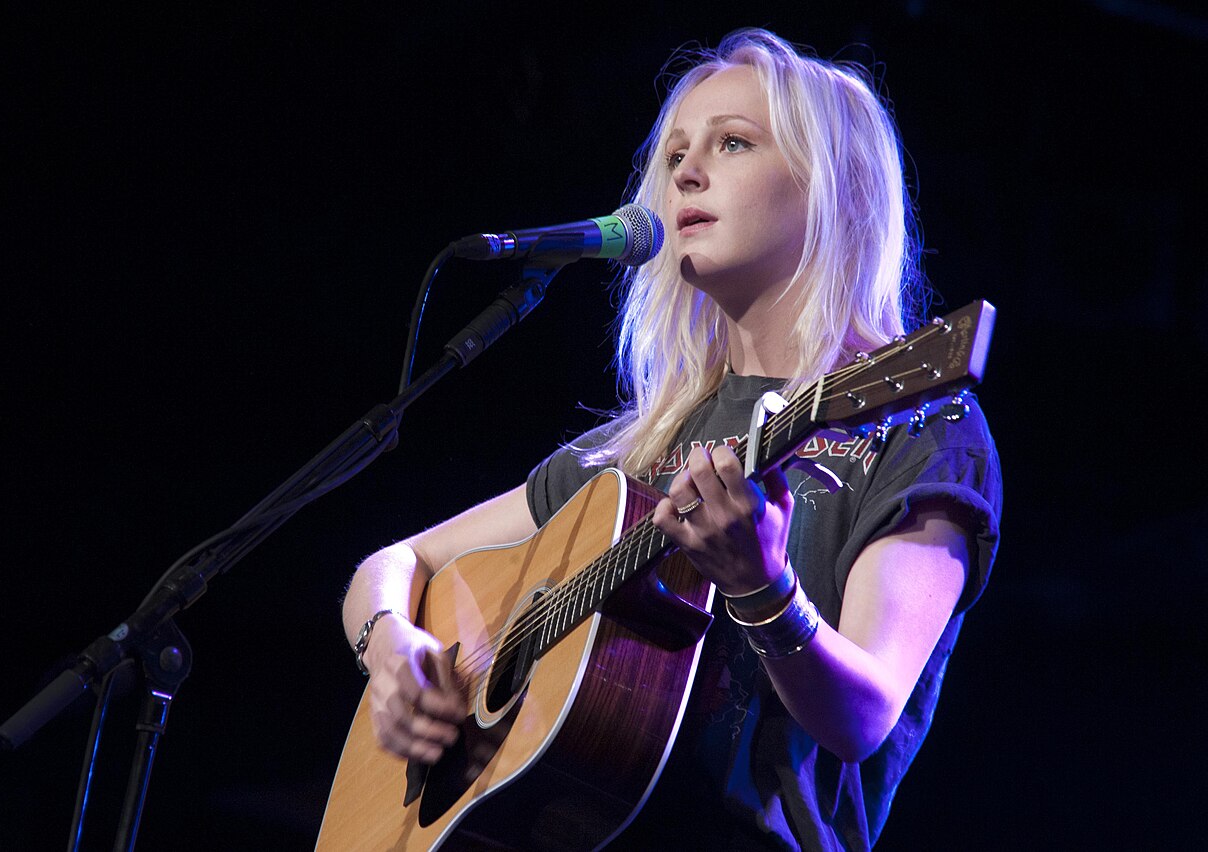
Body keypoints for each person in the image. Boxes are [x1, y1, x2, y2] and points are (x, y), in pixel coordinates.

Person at [341, 27, 1001, 850]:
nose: (685, 172)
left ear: (837, 189)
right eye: (678, 152)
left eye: (732, 143)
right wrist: (394, 649)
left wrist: (763, 588)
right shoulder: (643, 450)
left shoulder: (916, 424)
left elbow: (865, 716)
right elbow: (394, 565)